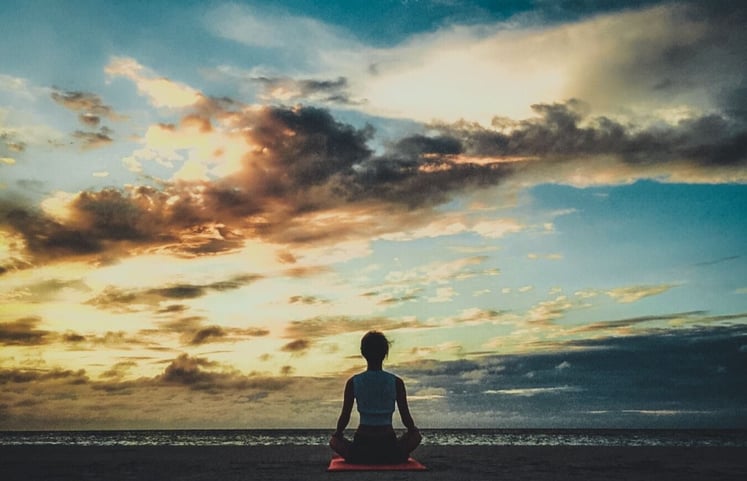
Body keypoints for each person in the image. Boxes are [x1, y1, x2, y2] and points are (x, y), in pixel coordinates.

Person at [329, 330, 422, 464]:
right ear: (385, 353)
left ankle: (363, 457)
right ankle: (392, 457)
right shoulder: (396, 382)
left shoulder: (353, 382)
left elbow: (345, 417)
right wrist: (412, 431)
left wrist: (337, 434)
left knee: (334, 441)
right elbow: (406, 419)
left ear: (363, 352)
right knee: (416, 437)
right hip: (388, 446)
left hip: (362, 446)